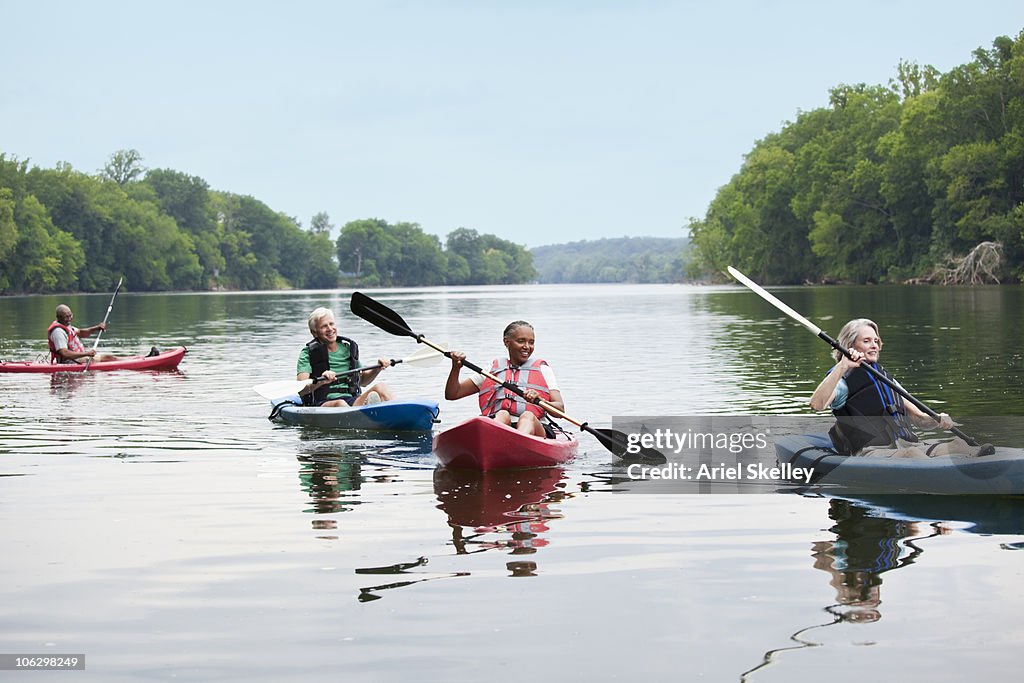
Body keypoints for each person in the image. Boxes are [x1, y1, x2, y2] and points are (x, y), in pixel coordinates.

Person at [809, 318, 985, 458]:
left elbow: (918, 418)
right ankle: (946, 478)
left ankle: (981, 462)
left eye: (876, 341)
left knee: (956, 445)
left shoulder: (885, 379)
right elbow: (817, 404)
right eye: (867, 341)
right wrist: (843, 366)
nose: (874, 346)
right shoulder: (842, 381)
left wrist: (937, 419)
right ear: (850, 346)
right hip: (870, 452)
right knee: (912, 454)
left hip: (905, 445)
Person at [445, 320, 564, 437]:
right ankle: (493, 438)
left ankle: (518, 440)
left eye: (531, 342)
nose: (527, 347)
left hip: (536, 428)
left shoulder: (543, 370)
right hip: (500, 425)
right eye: (521, 341)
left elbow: (560, 410)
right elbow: (453, 394)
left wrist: (541, 400)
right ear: (507, 342)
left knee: (527, 416)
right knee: (502, 414)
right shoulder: (492, 369)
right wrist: (456, 368)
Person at [296, 307, 394, 407]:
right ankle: (363, 414)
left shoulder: (347, 348)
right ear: (314, 332)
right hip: (321, 403)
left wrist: (377, 368)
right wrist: (322, 381)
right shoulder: (307, 353)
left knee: (381, 387)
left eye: (331, 324)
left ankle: (400, 414)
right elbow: (301, 389)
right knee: (340, 403)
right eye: (324, 326)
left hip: (351, 400)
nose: (330, 329)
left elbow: (363, 381)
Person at [47, 304, 118, 364]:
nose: (69, 319)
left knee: (110, 358)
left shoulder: (66, 325)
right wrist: (87, 353)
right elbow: (64, 353)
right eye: (66, 317)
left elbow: (81, 333)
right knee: (108, 358)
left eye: (70, 315)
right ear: (59, 318)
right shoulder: (58, 332)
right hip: (70, 361)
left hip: (77, 359)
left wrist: (97, 328)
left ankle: (125, 362)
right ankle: (126, 364)